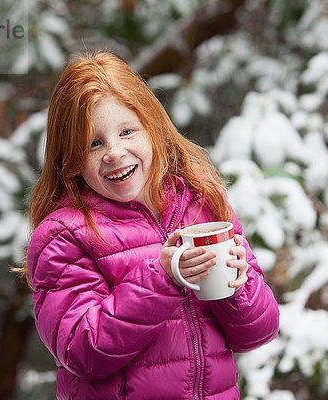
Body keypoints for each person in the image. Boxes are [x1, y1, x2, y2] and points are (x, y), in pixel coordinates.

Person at [19, 51, 280, 400]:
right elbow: (81, 350)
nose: (114, 152)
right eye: (94, 143)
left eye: (127, 131)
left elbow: (257, 332)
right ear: (70, 156)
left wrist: (238, 286)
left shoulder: (200, 199)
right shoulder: (63, 235)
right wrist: (163, 278)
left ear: (152, 129)